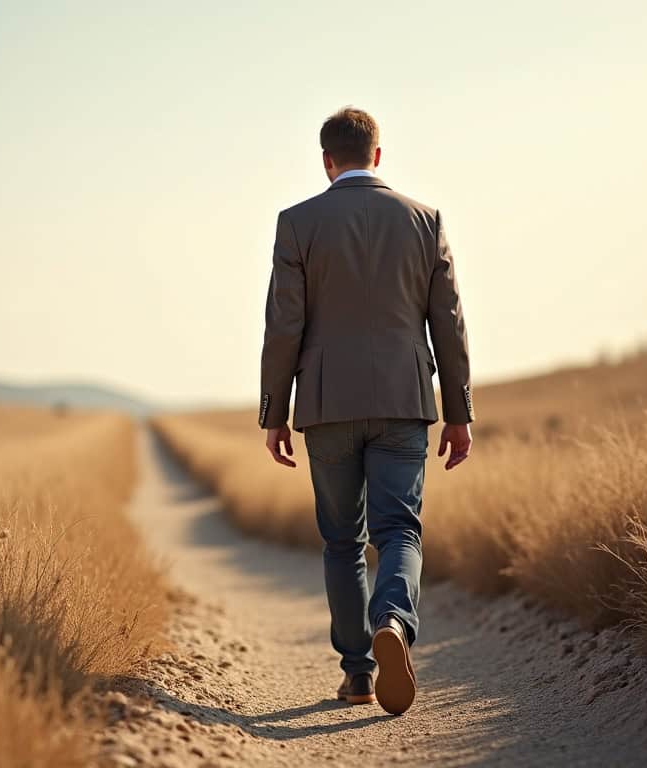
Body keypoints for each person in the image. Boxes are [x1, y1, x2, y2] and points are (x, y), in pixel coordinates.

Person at [257, 107, 474, 716]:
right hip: (405, 400)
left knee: (342, 541)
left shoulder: (297, 223)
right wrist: (458, 411)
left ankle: (357, 673)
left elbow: (283, 326)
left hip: (327, 405)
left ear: (327, 161)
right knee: (399, 529)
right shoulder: (425, 221)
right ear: (378, 155)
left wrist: (274, 412)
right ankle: (394, 623)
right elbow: (449, 323)